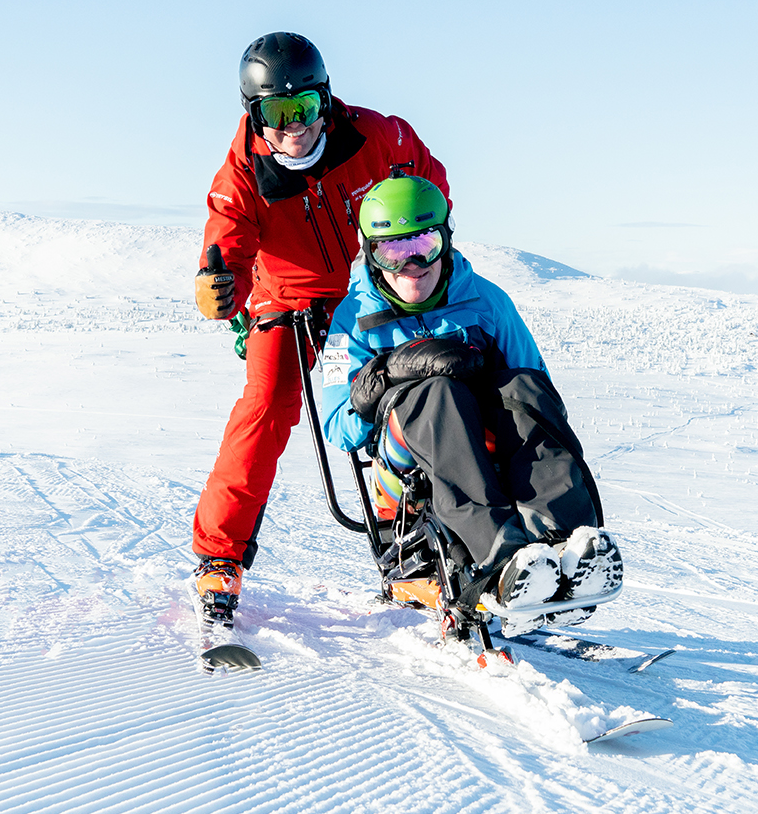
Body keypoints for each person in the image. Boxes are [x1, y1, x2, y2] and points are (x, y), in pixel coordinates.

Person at [190, 33, 450, 635]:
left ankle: (411, 552)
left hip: (368, 295)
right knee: (266, 406)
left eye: (305, 107)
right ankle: (219, 558)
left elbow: (427, 177)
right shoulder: (243, 171)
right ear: (255, 115)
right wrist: (219, 284)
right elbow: (227, 241)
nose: (295, 127)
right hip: (287, 304)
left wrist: (424, 242)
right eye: (277, 113)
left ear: (325, 100)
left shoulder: (375, 137)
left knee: (408, 396)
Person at [317, 175, 621, 637]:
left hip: (487, 449)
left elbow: (539, 394)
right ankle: (499, 555)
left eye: (424, 244)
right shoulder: (351, 320)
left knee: (524, 387)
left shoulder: (487, 302)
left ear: (446, 239)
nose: (411, 265)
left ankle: (566, 544)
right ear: (370, 254)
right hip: (403, 478)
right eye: (392, 251)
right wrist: (389, 373)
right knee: (436, 393)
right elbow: (339, 429)